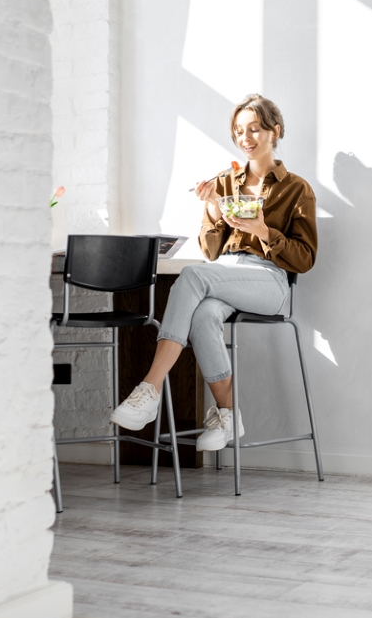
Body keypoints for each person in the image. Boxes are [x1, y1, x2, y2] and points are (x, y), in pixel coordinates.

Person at [108, 94, 317, 451]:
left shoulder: (296, 188)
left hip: (269, 281)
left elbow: (304, 258)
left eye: (254, 129)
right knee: (203, 315)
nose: (245, 137)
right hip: (224, 272)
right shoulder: (224, 182)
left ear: (274, 131)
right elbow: (210, 251)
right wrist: (212, 210)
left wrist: (263, 231)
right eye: (239, 131)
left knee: (192, 275)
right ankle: (227, 414)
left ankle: (150, 388)